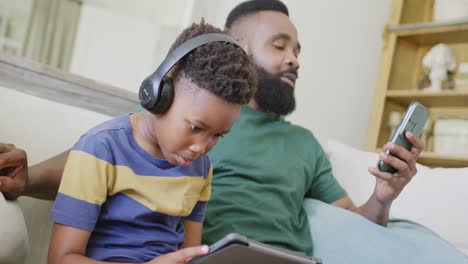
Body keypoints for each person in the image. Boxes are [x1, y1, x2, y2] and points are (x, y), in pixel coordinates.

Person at [0, 0, 421, 258]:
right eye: (279, 46)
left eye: (297, 50)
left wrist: (383, 197)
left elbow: (353, 220)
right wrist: (29, 177)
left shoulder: (302, 144)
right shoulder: (172, 116)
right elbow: (97, 163)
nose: (294, 59)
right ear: (237, 46)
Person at [47, 21, 256, 263]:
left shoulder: (201, 168)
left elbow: (189, 254)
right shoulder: (100, 148)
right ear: (160, 93)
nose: (201, 147)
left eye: (218, 135)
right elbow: (61, 259)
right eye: (196, 127)